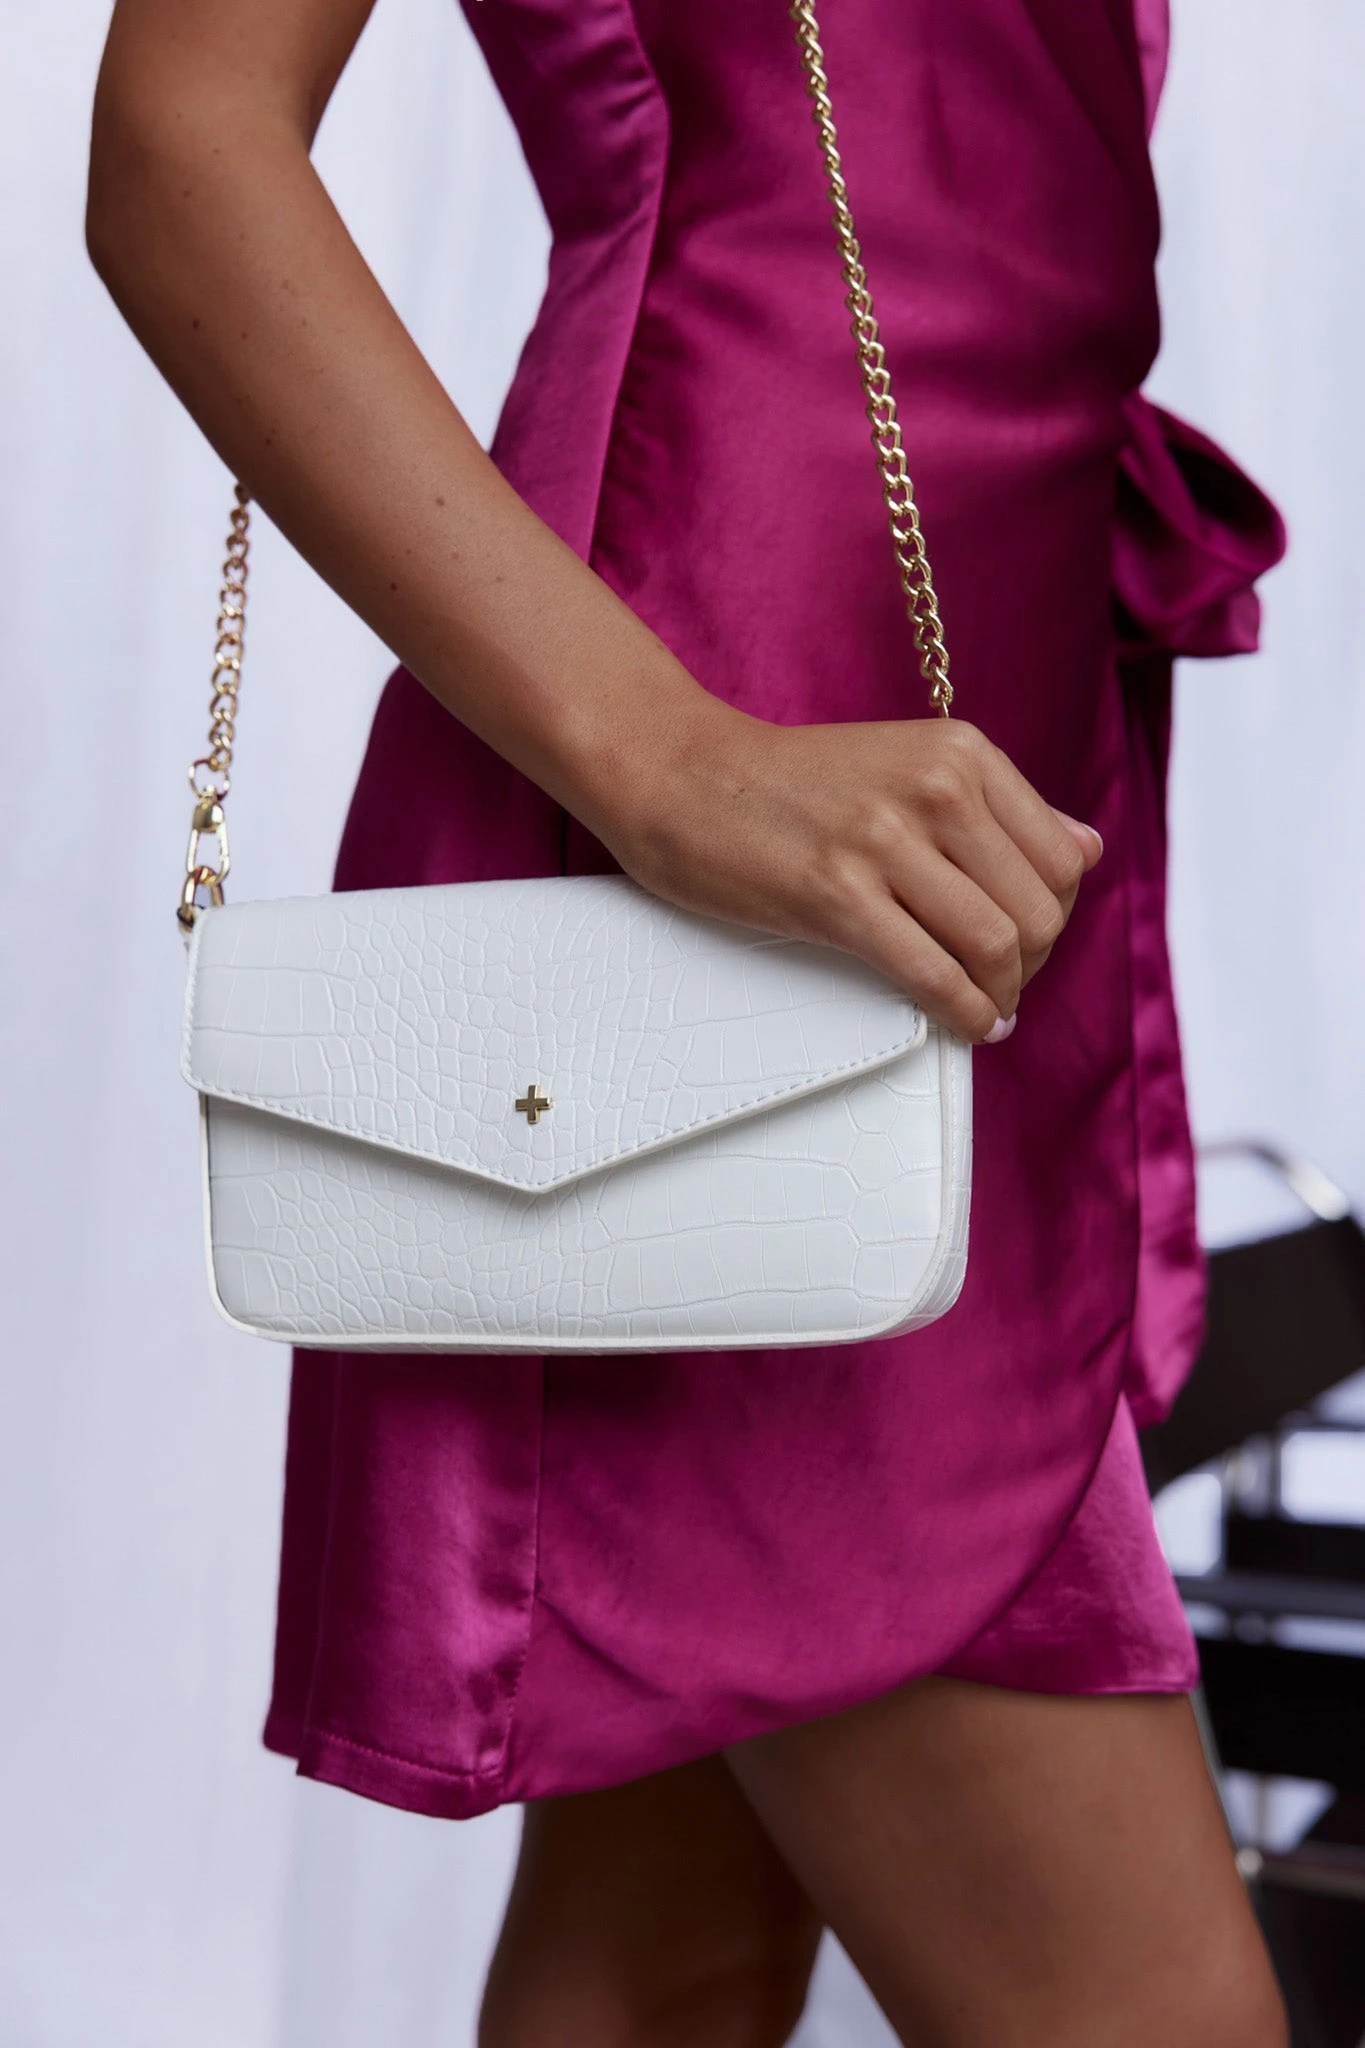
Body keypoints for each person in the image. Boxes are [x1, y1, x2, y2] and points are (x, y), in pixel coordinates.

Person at [87, 0, 1290, 2040]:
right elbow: (181, 139)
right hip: (729, 803)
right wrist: (667, 757)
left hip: (948, 795)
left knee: (668, 1968)